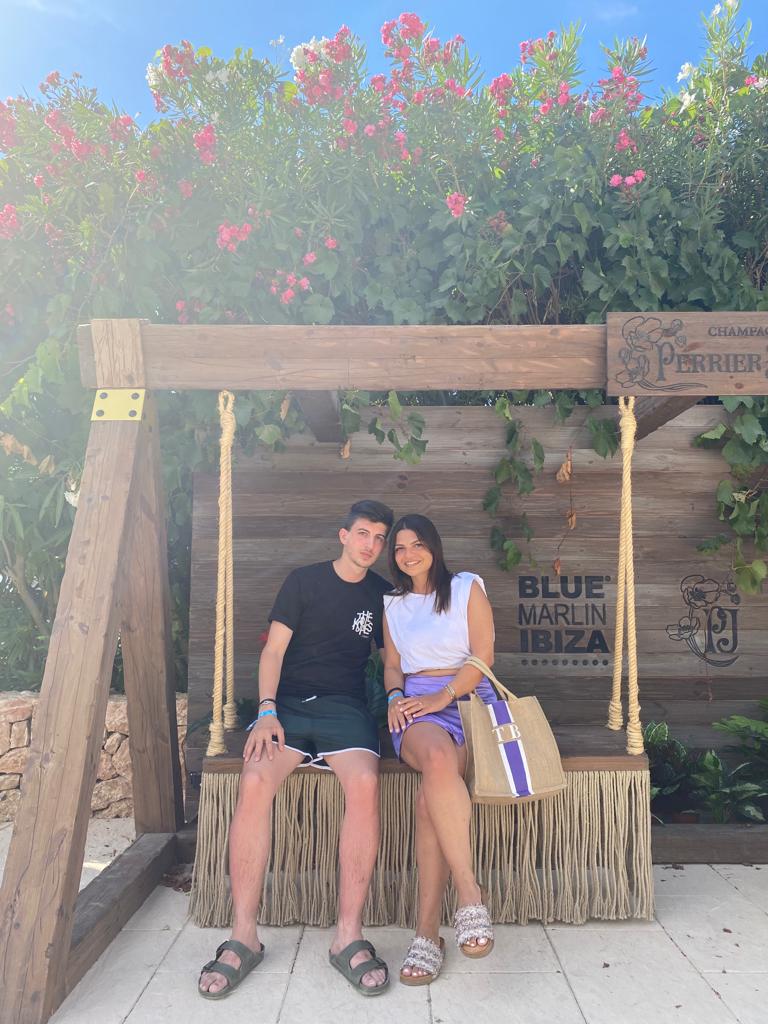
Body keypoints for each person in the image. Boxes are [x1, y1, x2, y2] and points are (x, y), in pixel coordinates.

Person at [199, 499, 394, 1000]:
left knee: (366, 782)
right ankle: (244, 935)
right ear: (343, 536)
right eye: (363, 533)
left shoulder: (381, 595)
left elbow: (394, 659)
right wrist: (266, 710)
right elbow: (274, 650)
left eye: (379, 538)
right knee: (254, 780)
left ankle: (347, 936)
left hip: (345, 709)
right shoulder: (304, 582)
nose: (371, 544)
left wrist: (404, 698)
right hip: (286, 707)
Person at [383, 513, 496, 986]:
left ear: (434, 545)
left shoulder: (467, 587)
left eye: (417, 544)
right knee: (436, 759)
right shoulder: (393, 604)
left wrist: (444, 695)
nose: (408, 555)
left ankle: (427, 933)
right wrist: (395, 697)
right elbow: (393, 665)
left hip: (469, 700)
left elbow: (483, 656)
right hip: (416, 707)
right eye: (400, 548)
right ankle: (469, 894)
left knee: (431, 799)